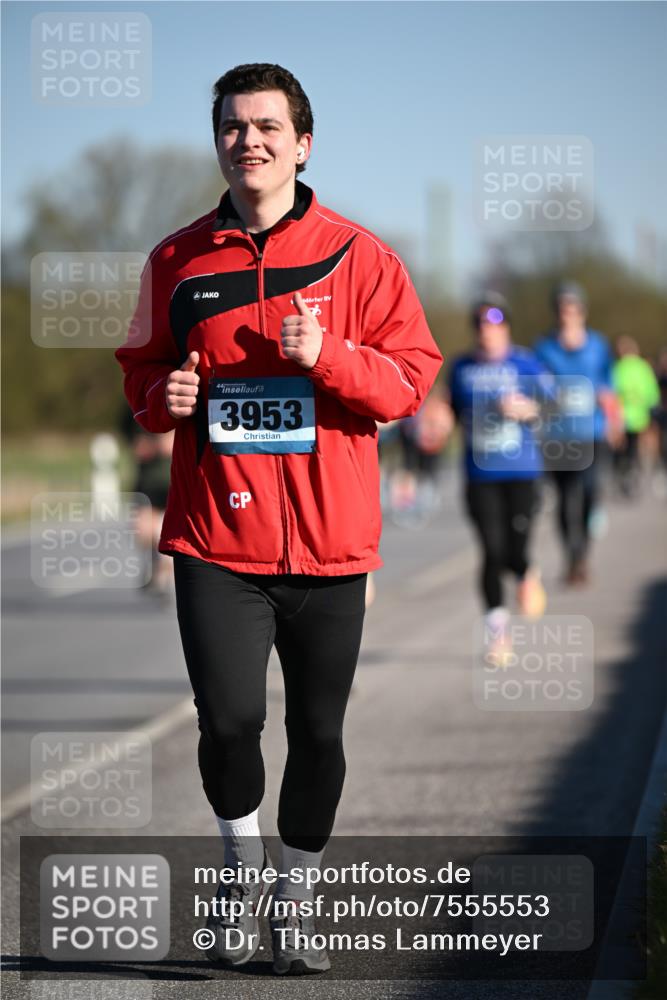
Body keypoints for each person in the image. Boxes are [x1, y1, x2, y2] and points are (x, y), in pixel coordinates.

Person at [115, 63, 442, 975]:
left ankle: (294, 897)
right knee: (226, 722)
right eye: (232, 126)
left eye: (266, 126)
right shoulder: (176, 261)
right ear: (217, 140)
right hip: (216, 539)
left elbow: (409, 380)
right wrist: (161, 396)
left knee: (321, 735)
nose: (247, 140)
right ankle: (236, 865)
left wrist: (330, 354)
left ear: (302, 143)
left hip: (331, 546)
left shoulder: (362, 256)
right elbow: (137, 369)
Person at [447, 292, 551, 665]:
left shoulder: (526, 364)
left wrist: (528, 409)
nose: (485, 332)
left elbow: (554, 404)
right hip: (479, 474)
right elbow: (451, 413)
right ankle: (498, 637)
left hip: (521, 472)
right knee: (491, 551)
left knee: (515, 550)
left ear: (505, 327)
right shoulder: (460, 368)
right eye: (479, 325)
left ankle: (526, 571)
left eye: (493, 324)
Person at [534, 282, 617, 585]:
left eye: (572, 308)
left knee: (589, 493)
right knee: (566, 498)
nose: (567, 314)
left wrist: (614, 421)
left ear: (582, 311)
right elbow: (537, 385)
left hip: (591, 432)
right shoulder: (544, 348)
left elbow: (609, 387)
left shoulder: (598, 346)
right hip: (558, 435)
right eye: (562, 309)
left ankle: (582, 553)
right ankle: (572, 556)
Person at [612, 336, 660, 496]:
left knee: (622, 449)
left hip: (622, 417)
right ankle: (630, 471)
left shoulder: (617, 367)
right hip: (635, 416)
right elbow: (652, 391)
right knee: (631, 448)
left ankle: (625, 471)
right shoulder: (641, 367)